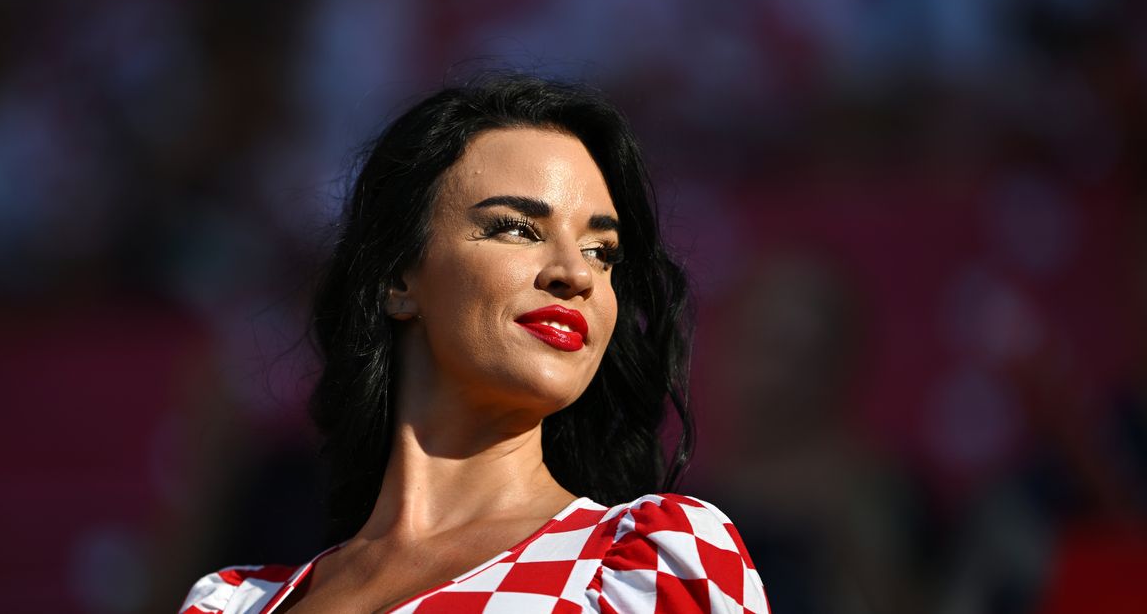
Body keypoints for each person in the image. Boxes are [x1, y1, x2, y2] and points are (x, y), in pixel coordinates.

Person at [179, 74, 769, 613]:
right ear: (397, 279)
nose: (576, 274)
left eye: (601, 252)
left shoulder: (650, 565)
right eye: (517, 228)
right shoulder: (231, 604)